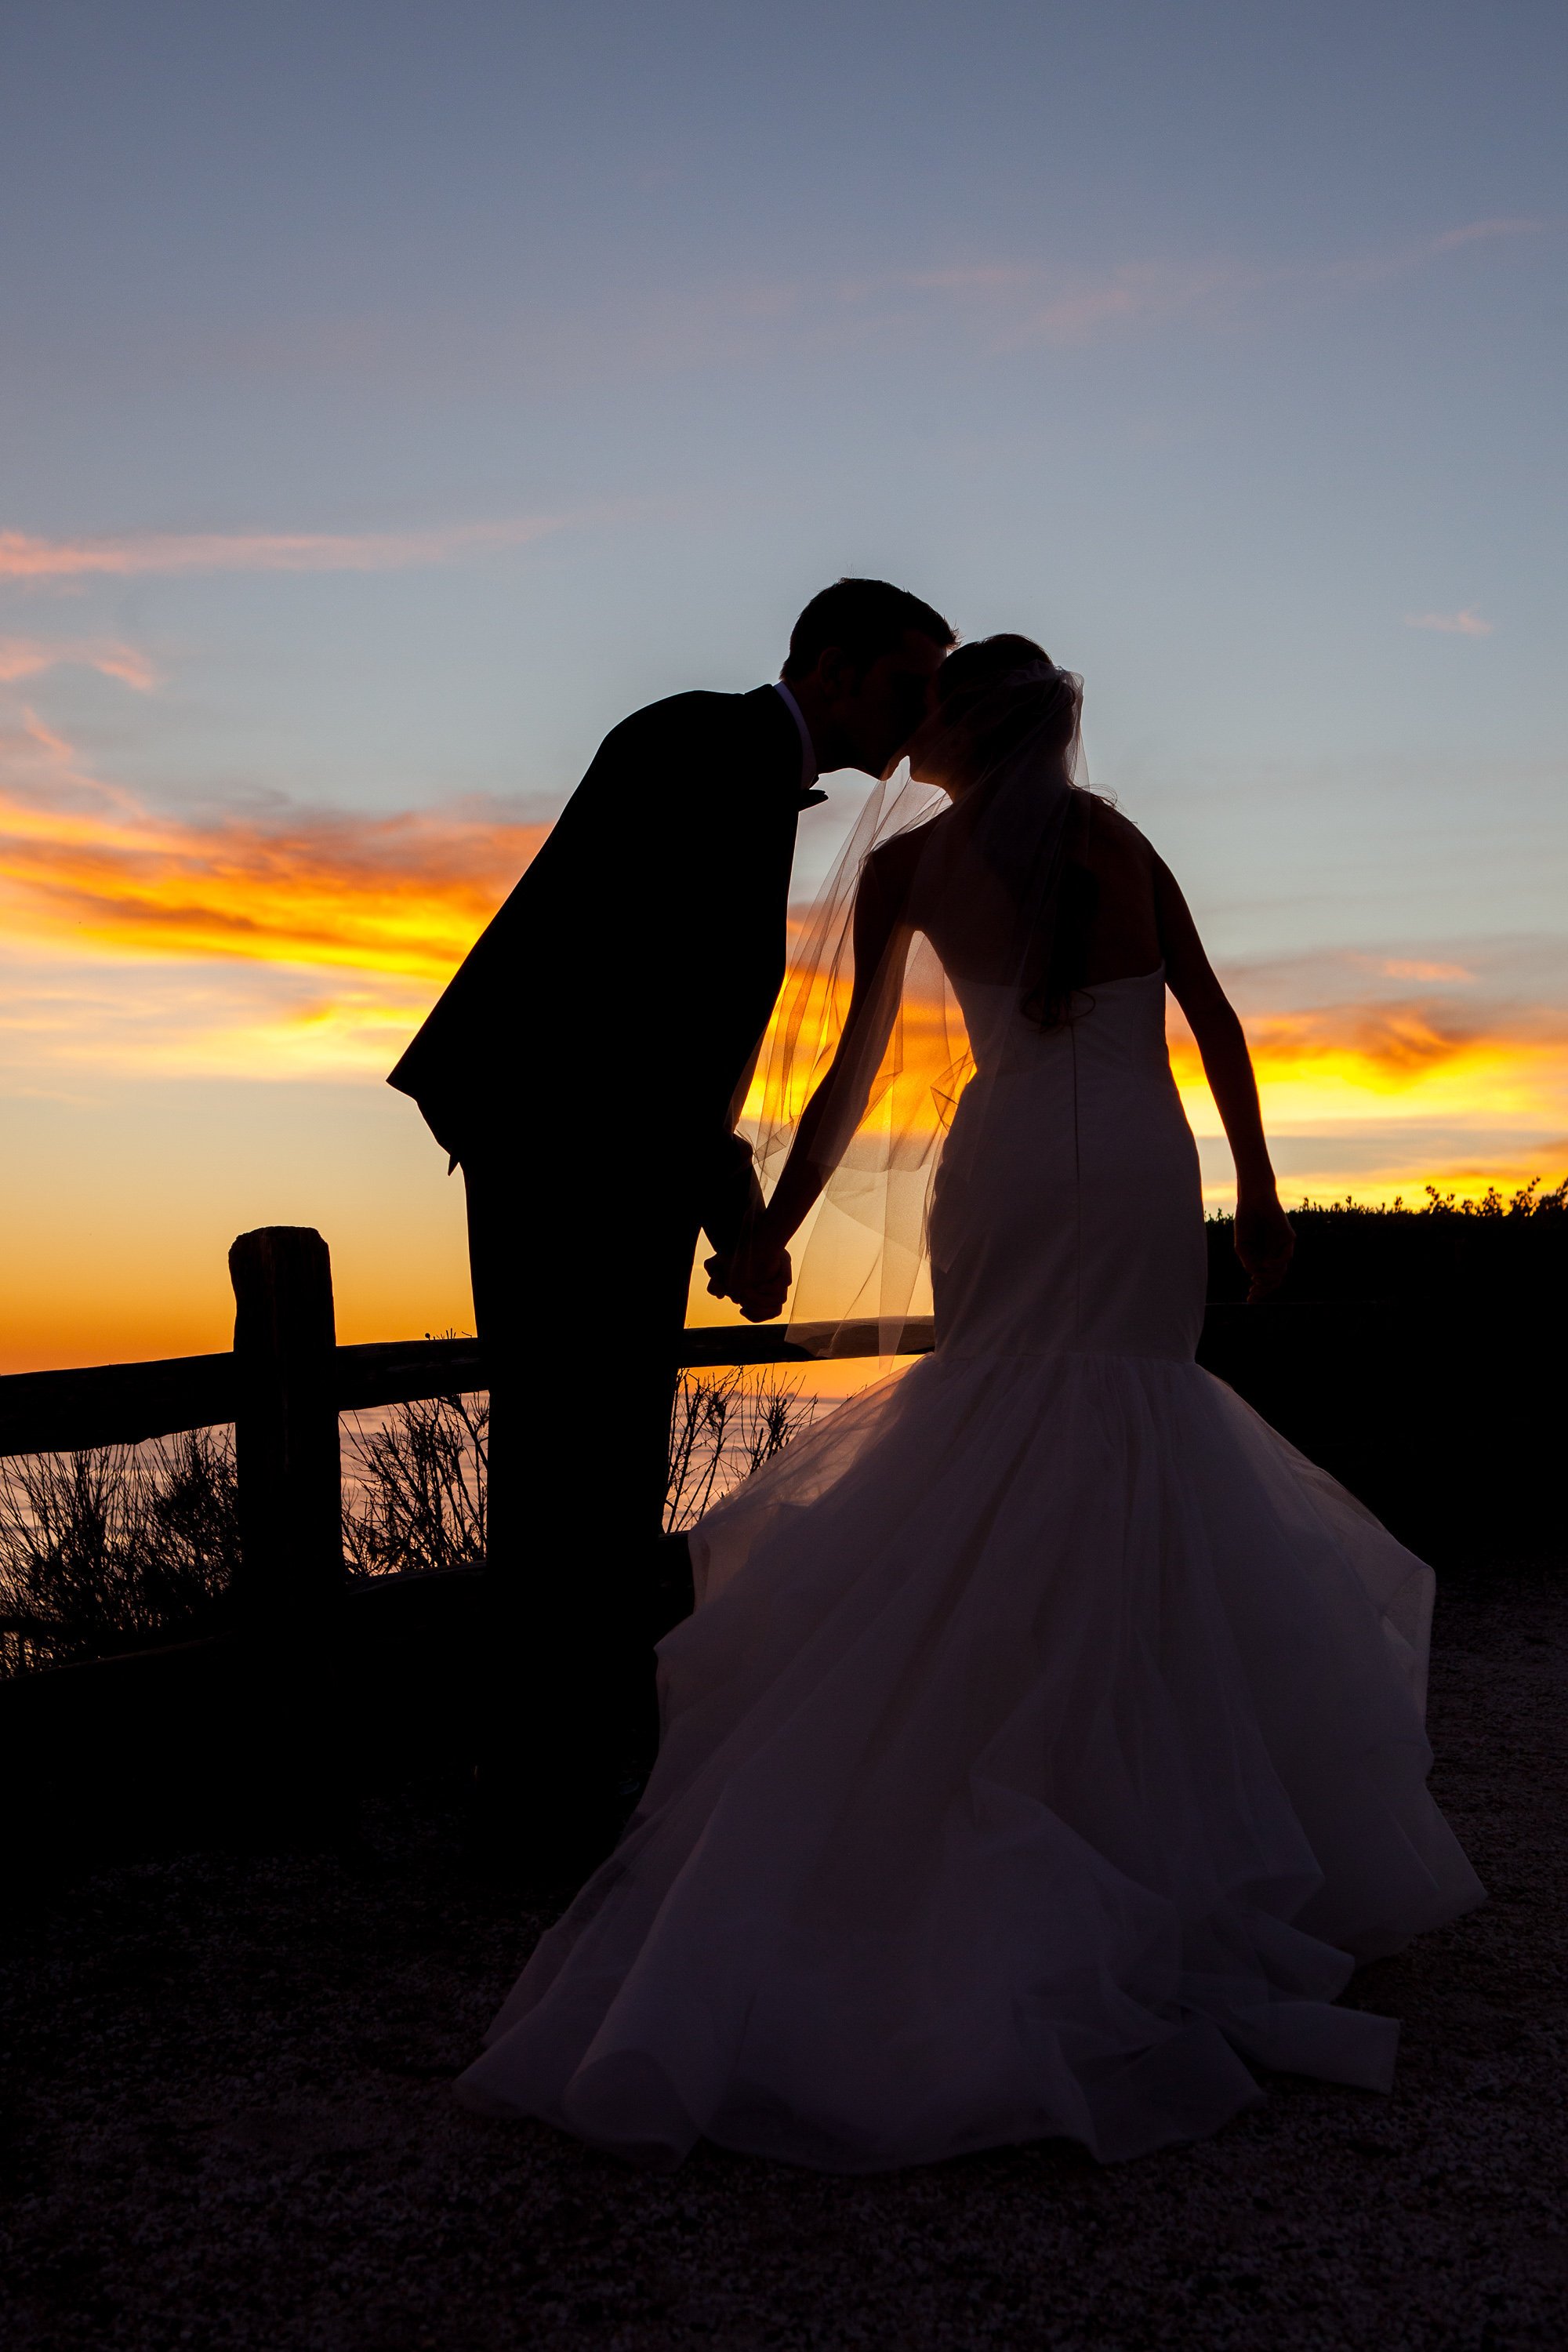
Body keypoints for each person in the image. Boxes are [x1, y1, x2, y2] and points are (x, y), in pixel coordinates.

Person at [454, 635, 1483, 2166]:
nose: (912, 729)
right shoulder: (1117, 839)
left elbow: (852, 1075)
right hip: (1138, 1169)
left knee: (1002, 1435)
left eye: (934, 710)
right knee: (1138, 1436)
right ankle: (1152, 1809)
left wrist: (773, 1227)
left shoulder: (909, 872)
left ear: (963, 732)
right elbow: (1209, 1016)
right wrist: (1260, 1198)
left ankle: (996, 1760)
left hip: (1005, 1172)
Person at [387, 579, 955, 1865]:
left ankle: (556, 1782)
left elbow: (678, 1026)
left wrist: (723, 1195)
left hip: (604, 1147)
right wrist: (737, 1200)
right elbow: (652, 1011)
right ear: (831, 665)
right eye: (912, 684)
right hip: (568, 1147)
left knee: (592, 1459)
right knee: (570, 1461)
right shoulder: (705, 748)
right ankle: (540, 1800)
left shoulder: (735, 761)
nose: (927, 717)